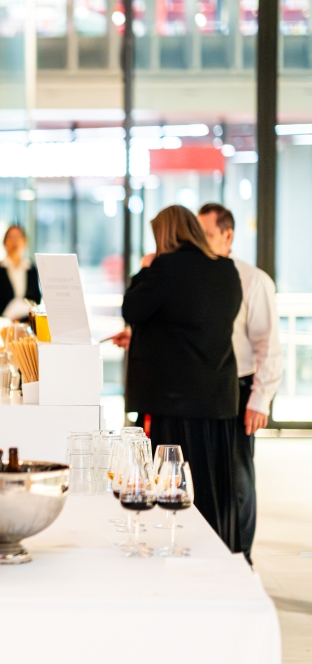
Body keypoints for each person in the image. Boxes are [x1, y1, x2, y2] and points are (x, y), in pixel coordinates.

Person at [115, 205, 244, 558]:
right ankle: (216, 556)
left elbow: (133, 310)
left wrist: (143, 269)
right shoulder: (227, 269)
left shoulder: (164, 267)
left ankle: (170, 551)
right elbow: (196, 323)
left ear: (165, 235)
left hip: (173, 400)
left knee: (170, 484)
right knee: (211, 487)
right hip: (217, 398)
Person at [197, 202, 282, 563]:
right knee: (204, 476)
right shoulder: (195, 279)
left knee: (238, 481)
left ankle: (241, 556)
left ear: (228, 235)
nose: (201, 242)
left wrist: (260, 399)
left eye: (208, 235)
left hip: (240, 388)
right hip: (201, 389)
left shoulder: (253, 280)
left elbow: (268, 345)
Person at [0, 225, 41, 349]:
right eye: (11, 237)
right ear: (5, 243)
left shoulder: (31, 269)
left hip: (25, 331)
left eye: (18, 237)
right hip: (2, 330)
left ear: (25, 242)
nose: (14, 241)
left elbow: (36, 299)